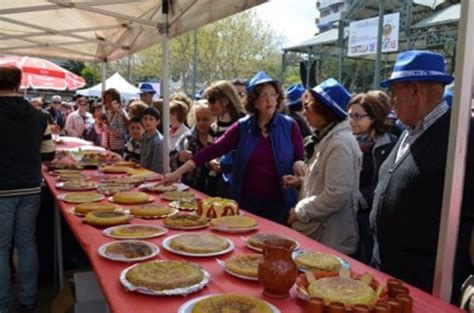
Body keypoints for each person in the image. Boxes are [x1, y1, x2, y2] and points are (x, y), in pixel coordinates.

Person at [370, 50, 474, 302]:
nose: (391, 100)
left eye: (395, 92)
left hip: (425, 283)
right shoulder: (408, 130)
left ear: (415, 90)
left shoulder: (461, 137)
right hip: (386, 268)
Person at [164, 71, 304, 224]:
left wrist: (298, 173)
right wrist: (177, 172)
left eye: (273, 94)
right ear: (254, 101)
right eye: (263, 95)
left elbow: (299, 158)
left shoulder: (290, 126)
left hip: (280, 203)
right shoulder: (243, 127)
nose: (269, 99)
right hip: (247, 201)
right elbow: (213, 150)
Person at [283, 78, 361, 255]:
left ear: (325, 111)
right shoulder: (328, 138)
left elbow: (336, 194)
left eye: (308, 107)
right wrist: (301, 182)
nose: (304, 113)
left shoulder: (339, 144)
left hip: (330, 239)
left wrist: (301, 210)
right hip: (319, 234)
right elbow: (325, 180)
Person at [0, 66, 49, 313]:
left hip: (2, 189)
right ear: (19, 84)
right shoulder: (39, 115)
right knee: (26, 244)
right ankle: (27, 300)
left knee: (1, 247)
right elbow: (49, 154)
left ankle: (2, 304)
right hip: (30, 186)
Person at [347, 93, 397, 264]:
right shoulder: (346, 141)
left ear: (374, 117)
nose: (352, 121)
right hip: (345, 214)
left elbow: (382, 184)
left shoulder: (388, 145)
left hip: (366, 218)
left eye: (358, 116)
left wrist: (357, 197)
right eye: (350, 115)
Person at [203, 80, 245, 197]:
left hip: (237, 184)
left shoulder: (244, 123)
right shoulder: (214, 126)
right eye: (208, 101)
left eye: (212, 100)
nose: (209, 106)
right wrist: (212, 162)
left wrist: (227, 165)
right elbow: (208, 153)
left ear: (226, 100)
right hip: (215, 183)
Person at [170, 102, 215, 194]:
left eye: (205, 119)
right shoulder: (187, 138)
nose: (201, 123)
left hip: (213, 190)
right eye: (198, 119)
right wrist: (178, 158)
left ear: (213, 119)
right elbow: (171, 160)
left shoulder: (218, 138)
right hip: (189, 188)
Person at [102, 88, 128, 154]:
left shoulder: (121, 113)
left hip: (118, 149)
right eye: (107, 100)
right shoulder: (108, 113)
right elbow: (103, 131)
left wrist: (109, 126)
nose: (110, 102)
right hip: (107, 148)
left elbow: (122, 134)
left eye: (112, 100)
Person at [140, 107, 164, 173]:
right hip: (143, 172)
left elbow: (157, 166)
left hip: (152, 176)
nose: (147, 122)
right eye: (145, 119)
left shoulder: (158, 141)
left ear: (157, 121)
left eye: (151, 119)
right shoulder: (144, 136)